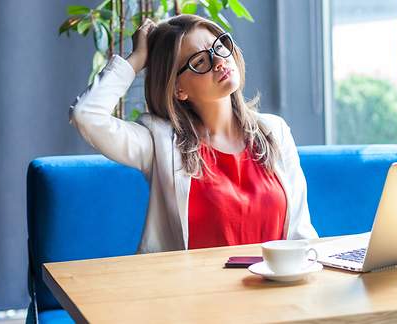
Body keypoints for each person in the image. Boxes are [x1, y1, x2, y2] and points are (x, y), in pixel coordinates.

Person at [69, 14, 318, 253]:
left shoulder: (275, 131)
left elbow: (300, 234)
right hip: (192, 293)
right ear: (178, 89)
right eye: (199, 62)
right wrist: (136, 59)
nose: (219, 61)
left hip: (273, 290)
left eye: (220, 47)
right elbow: (86, 115)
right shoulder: (159, 142)